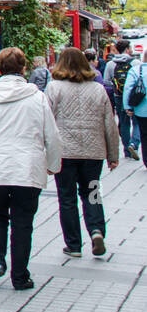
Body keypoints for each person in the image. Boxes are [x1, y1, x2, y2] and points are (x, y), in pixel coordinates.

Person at [0, 46, 61, 289]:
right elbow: (51, 136)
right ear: (24, 69)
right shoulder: (37, 97)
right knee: (23, 221)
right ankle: (20, 275)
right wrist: (53, 164)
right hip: (27, 166)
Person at [46, 47, 118, 257]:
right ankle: (96, 230)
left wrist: (46, 154)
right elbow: (109, 124)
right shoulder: (98, 89)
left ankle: (74, 244)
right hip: (93, 153)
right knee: (92, 193)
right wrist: (113, 155)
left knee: (67, 198)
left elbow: (47, 122)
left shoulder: (54, 88)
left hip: (65, 153)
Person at [105, 39, 139, 160]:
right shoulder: (135, 62)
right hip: (135, 97)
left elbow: (106, 81)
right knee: (136, 122)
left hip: (118, 96)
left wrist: (116, 87)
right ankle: (134, 144)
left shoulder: (110, 64)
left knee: (123, 123)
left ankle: (127, 150)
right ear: (127, 49)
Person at [125, 56, 147, 170]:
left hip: (141, 110)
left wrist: (128, 106)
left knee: (144, 135)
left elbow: (128, 88)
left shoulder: (136, 70)